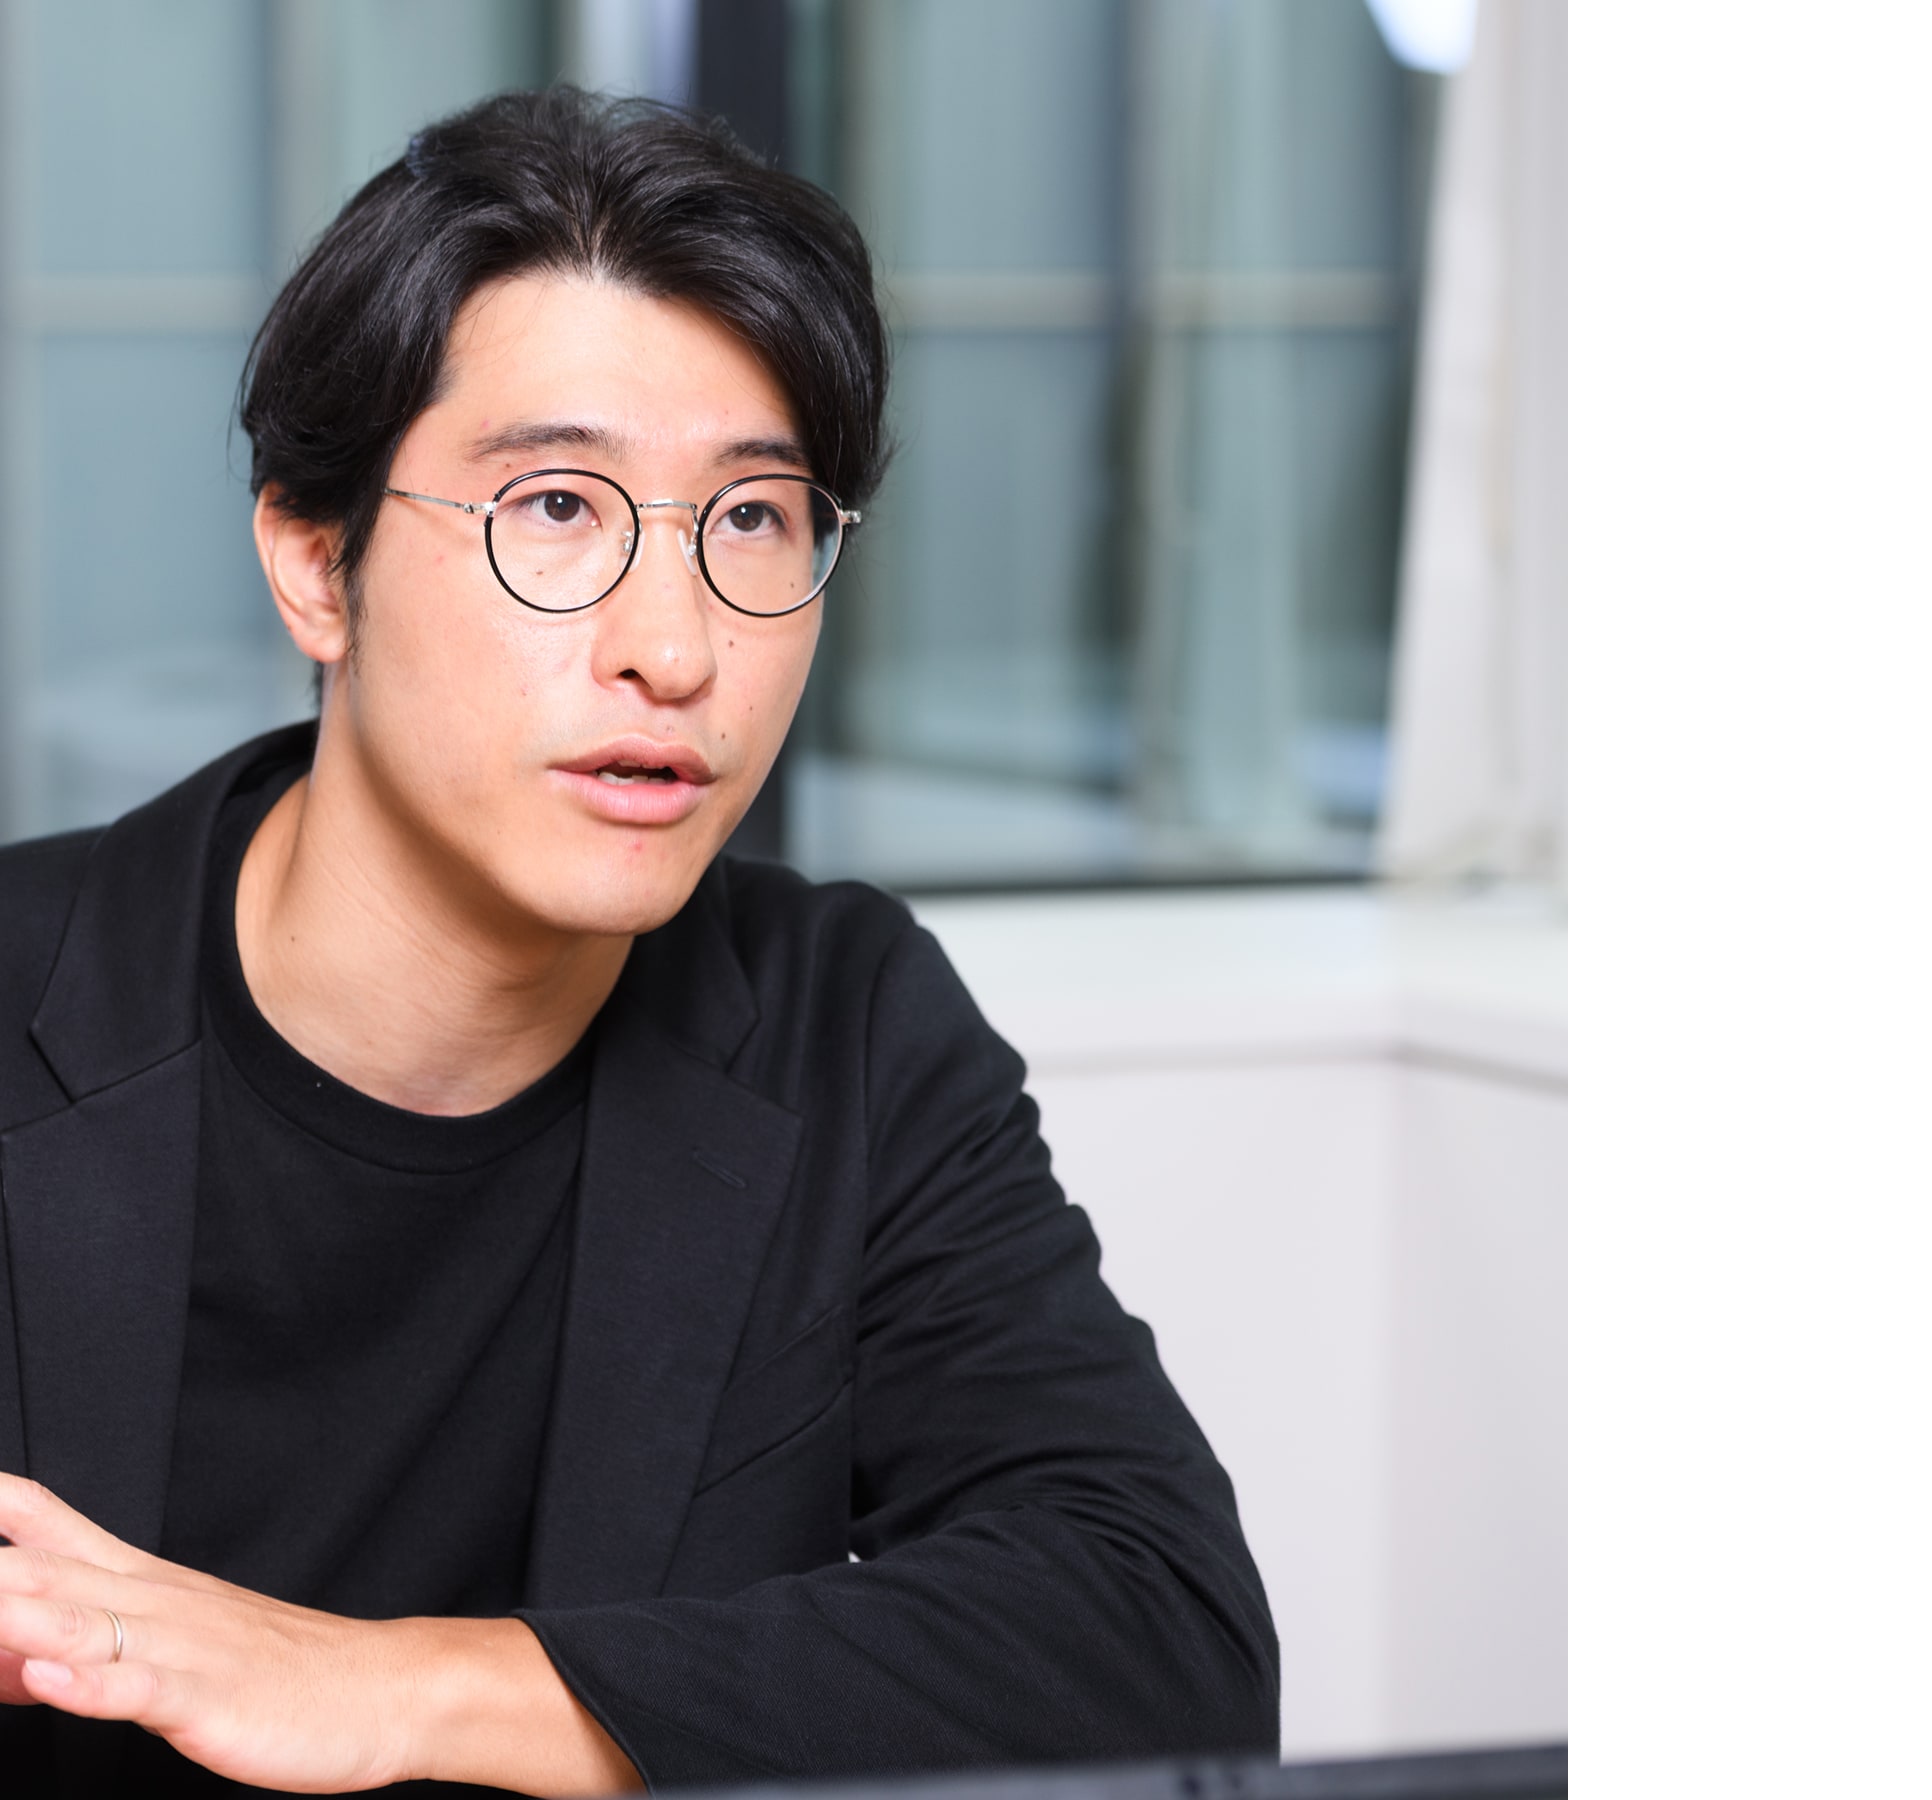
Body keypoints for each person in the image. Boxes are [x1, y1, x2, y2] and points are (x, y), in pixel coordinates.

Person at [0, 89, 1278, 1797]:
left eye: (751, 520)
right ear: (315, 562)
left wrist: (399, 1689)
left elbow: (1161, 1639)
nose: (672, 650)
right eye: (555, 507)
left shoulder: (840, 1022)